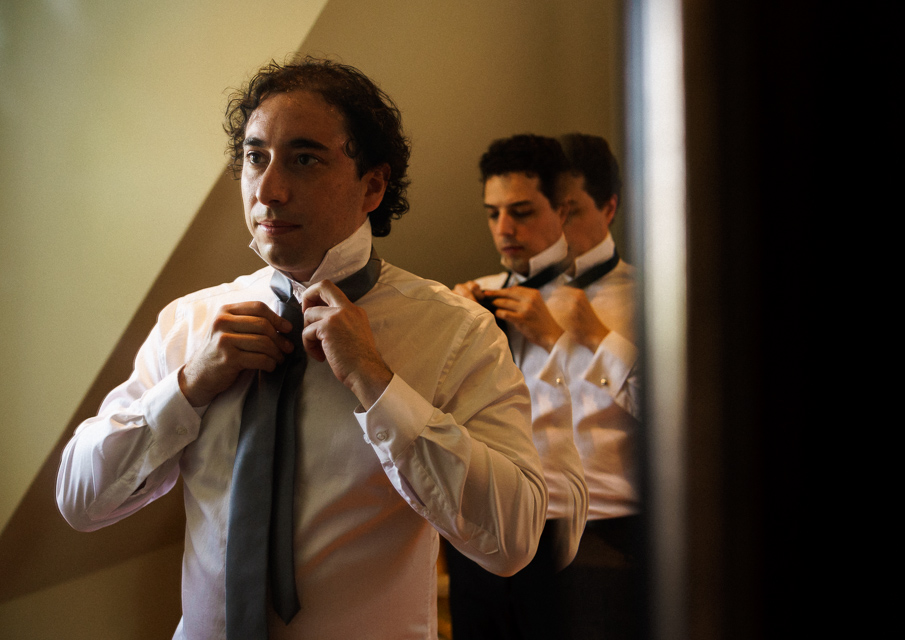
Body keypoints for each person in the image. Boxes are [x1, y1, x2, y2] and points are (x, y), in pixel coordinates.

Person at [56, 57, 547, 640]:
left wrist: (377, 383)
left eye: (305, 159)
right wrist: (186, 388)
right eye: (254, 157)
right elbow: (79, 500)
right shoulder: (189, 324)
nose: (268, 189)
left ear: (372, 186)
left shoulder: (456, 332)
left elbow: (513, 540)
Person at [447, 134, 589, 640]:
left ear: (563, 210)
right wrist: (455, 333)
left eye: (522, 212)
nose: (504, 230)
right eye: (493, 213)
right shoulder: (469, 302)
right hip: (479, 523)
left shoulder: (612, 303)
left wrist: (558, 339)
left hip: (565, 530)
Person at [552, 133, 642, 639]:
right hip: (526, 535)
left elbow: (678, 420)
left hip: (611, 540)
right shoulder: (505, 300)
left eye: (572, 212)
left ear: (608, 208)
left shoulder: (653, 300)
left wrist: (595, 337)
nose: (556, 231)